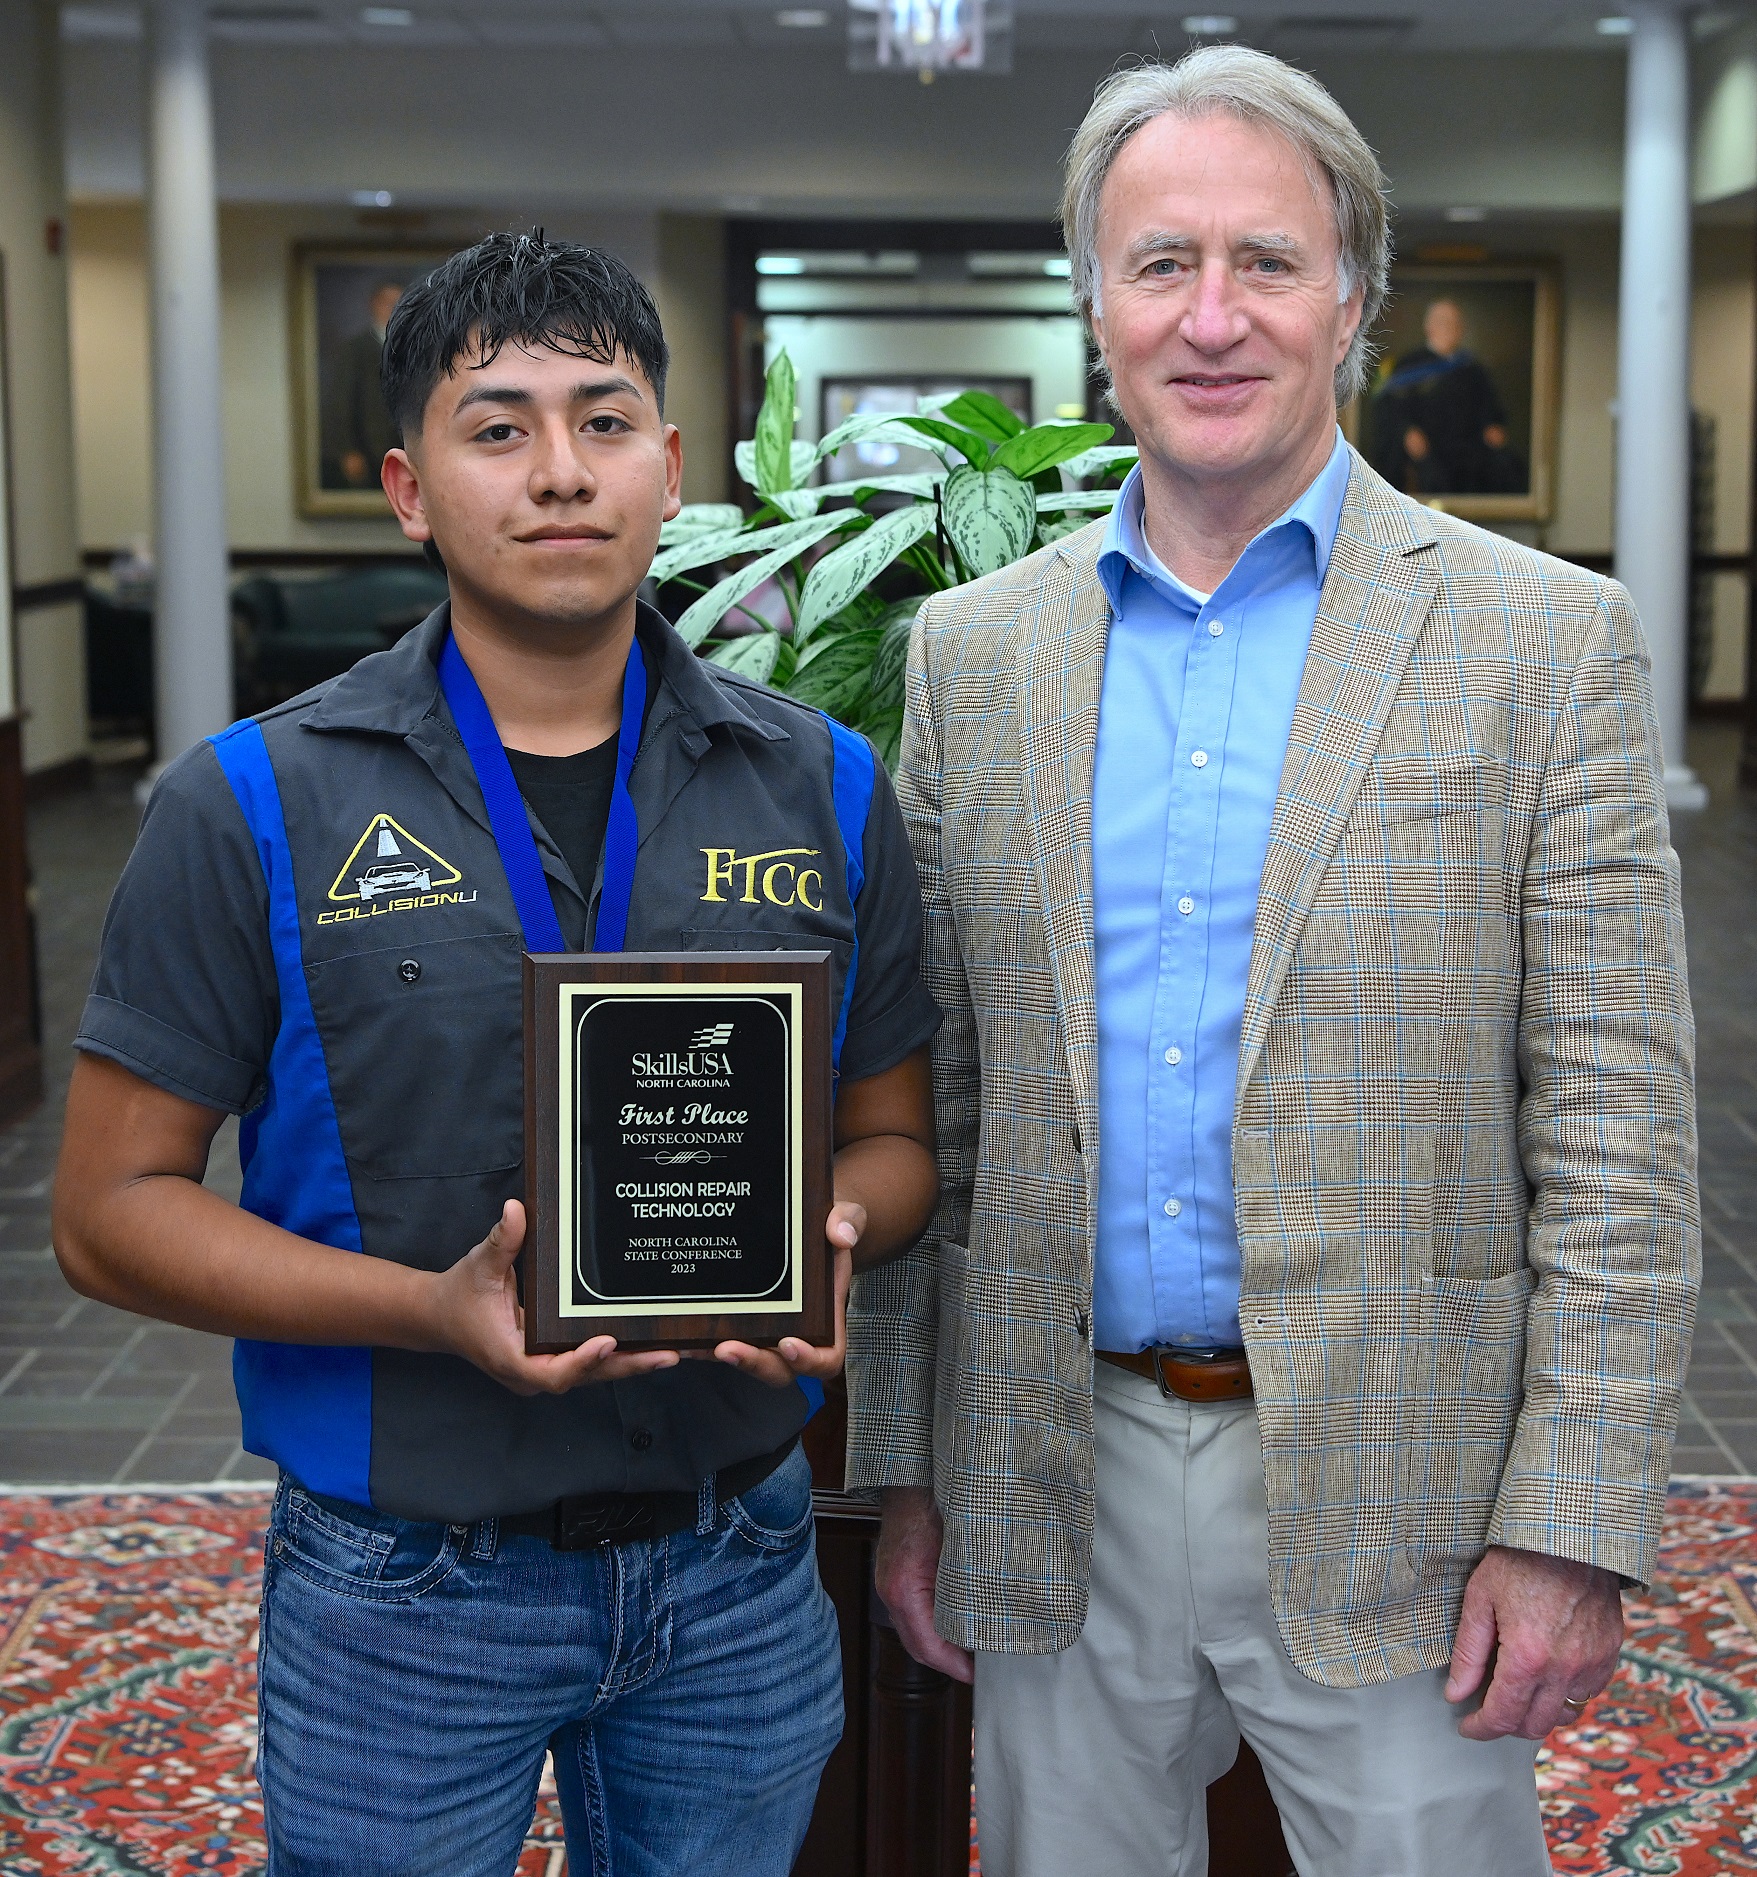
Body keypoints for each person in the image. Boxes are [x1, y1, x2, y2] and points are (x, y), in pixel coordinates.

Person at [848, 45, 1697, 1877]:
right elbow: (946, 1102)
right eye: (1159, 264)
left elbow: (1619, 1135)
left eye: (1267, 262)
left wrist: (1570, 1520)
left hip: (1405, 1484)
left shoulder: (1542, 646)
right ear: (1093, 302)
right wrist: (916, 1469)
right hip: (1052, 1467)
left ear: (1354, 300)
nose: (1210, 317)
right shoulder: (971, 661)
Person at [52, 232, 942, 1877]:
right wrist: (426, 1309)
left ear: (672, 467)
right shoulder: (250, 801)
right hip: (403, 1583)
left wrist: (830, 1240)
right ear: (409, 487)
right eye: (497, 426)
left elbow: (894, 1142)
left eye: (606, 422)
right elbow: (107, 1209)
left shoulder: (818, 782)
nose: (559, 473)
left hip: (734, 1562)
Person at [1369, 296, 1524, 495]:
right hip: (1427, 450)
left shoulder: (1472, 369)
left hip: (1468, 447)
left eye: (1454, 323)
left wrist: (1492, 426)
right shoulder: (1409, 365)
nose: (1449, 328)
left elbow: (1490, 410)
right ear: (1429, 327)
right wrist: (1406, 431)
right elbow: (1390, 409)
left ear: (1461, 330)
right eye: (1443, 322)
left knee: (1504, 465)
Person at [322, 277, 405, 487]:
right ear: (374, 305)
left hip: (406, 446)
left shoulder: (414, 347)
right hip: (367, 448)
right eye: (387, 303)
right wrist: (348, 450)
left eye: (399, 303)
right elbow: (341, 401)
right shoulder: (355, 348)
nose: (393, 309)